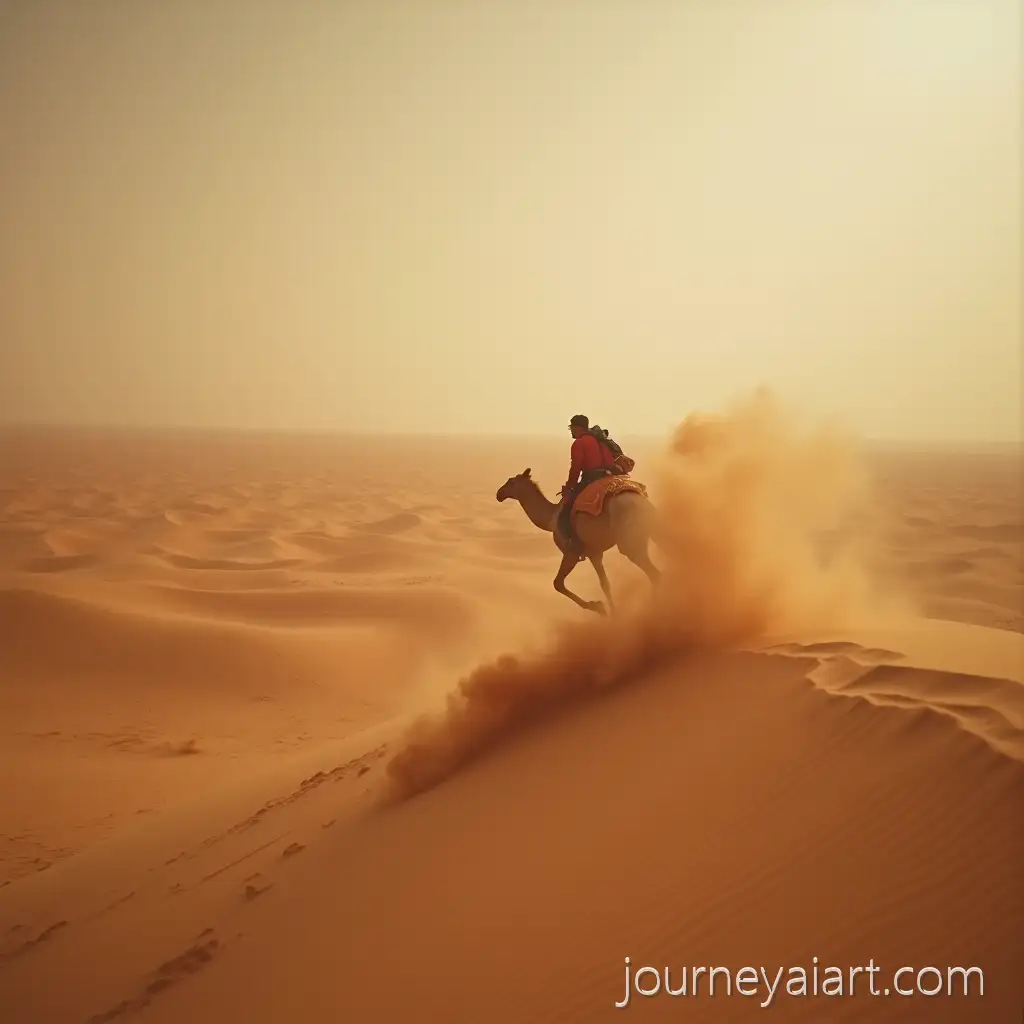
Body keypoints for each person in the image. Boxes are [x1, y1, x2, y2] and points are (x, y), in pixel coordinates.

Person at [557, 413, 617, 552]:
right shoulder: (601, 441)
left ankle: (575, 545)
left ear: (578, 428)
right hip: (609, 477)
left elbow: (575, 468)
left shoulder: (579, 443)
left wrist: (569, 487)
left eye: (571, 427)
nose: (571, 431)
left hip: (592, 478)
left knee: (567, 509)